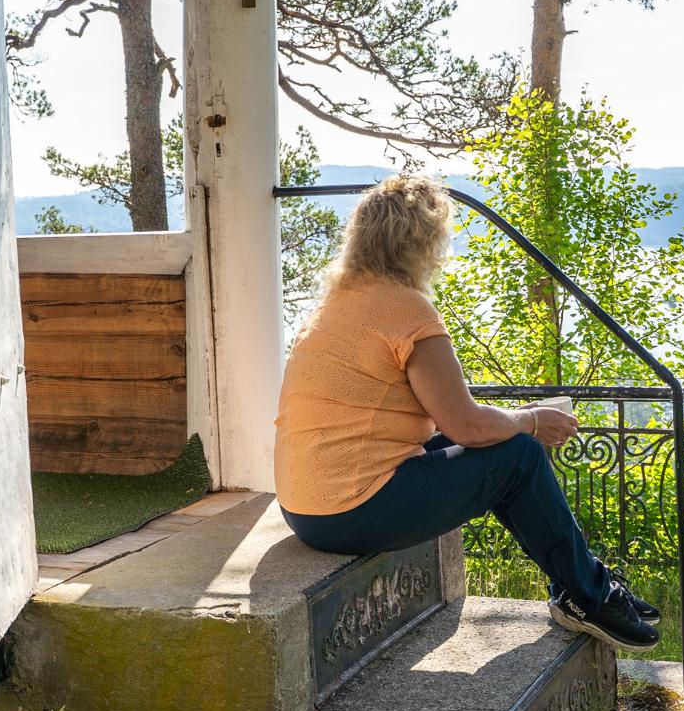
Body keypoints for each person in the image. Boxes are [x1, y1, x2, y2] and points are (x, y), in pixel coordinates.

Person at [272, 175, 660, 650]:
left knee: (502, 443)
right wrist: (531, 422)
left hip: (304, 508)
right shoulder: (405, 309)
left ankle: (583, 581)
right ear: (422, 243)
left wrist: (512, 419)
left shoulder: (334, 307)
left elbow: (441, 420)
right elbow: (467, 427)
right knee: (518, 455)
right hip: (354, 510)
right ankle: (587, 596)